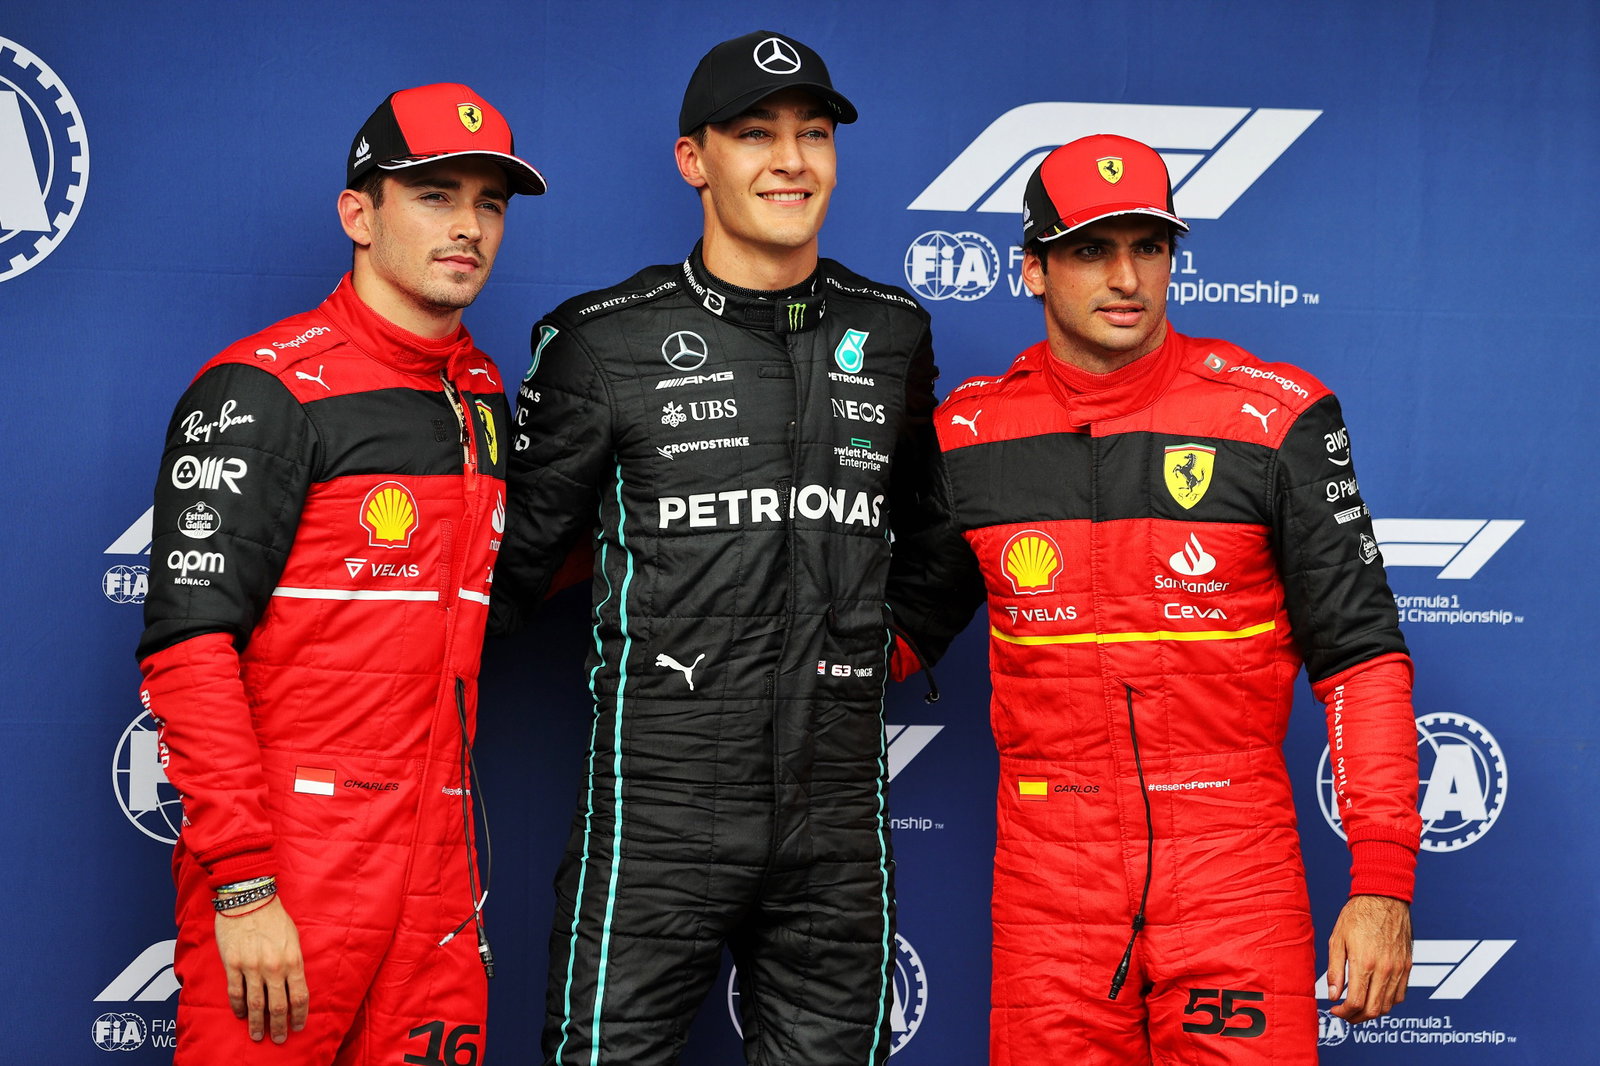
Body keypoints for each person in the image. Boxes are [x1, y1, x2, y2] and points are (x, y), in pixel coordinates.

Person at [891, 135, 1421, 1063]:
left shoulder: (1276, 419)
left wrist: (1382, 881)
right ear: (1033, 269)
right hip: (1051, 891)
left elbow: (1361, 659)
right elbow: (894, 638)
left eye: (1150, 246)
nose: (1127, 277)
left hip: (1234, 874)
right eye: (1092, 250)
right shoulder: (969, 435)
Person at [491, 30, 943, 1066]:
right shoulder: (601, 340)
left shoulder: (892, 331)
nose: (791, 161)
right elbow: (512, 565)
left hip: (834, 816)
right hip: (656, 811)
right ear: (694, 159)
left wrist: (889, 645)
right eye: (755, 135)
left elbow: (939, 529)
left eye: (814, 134)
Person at [136, 82, 543, 1063]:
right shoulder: (262, 389)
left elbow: (504, 582)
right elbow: (190, 648)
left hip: (440, 860)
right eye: (435, 195)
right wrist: (244, 883)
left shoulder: (483, 395)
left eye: (489, 202)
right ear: (359, 214)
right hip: (293, 861)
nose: (469, 226)